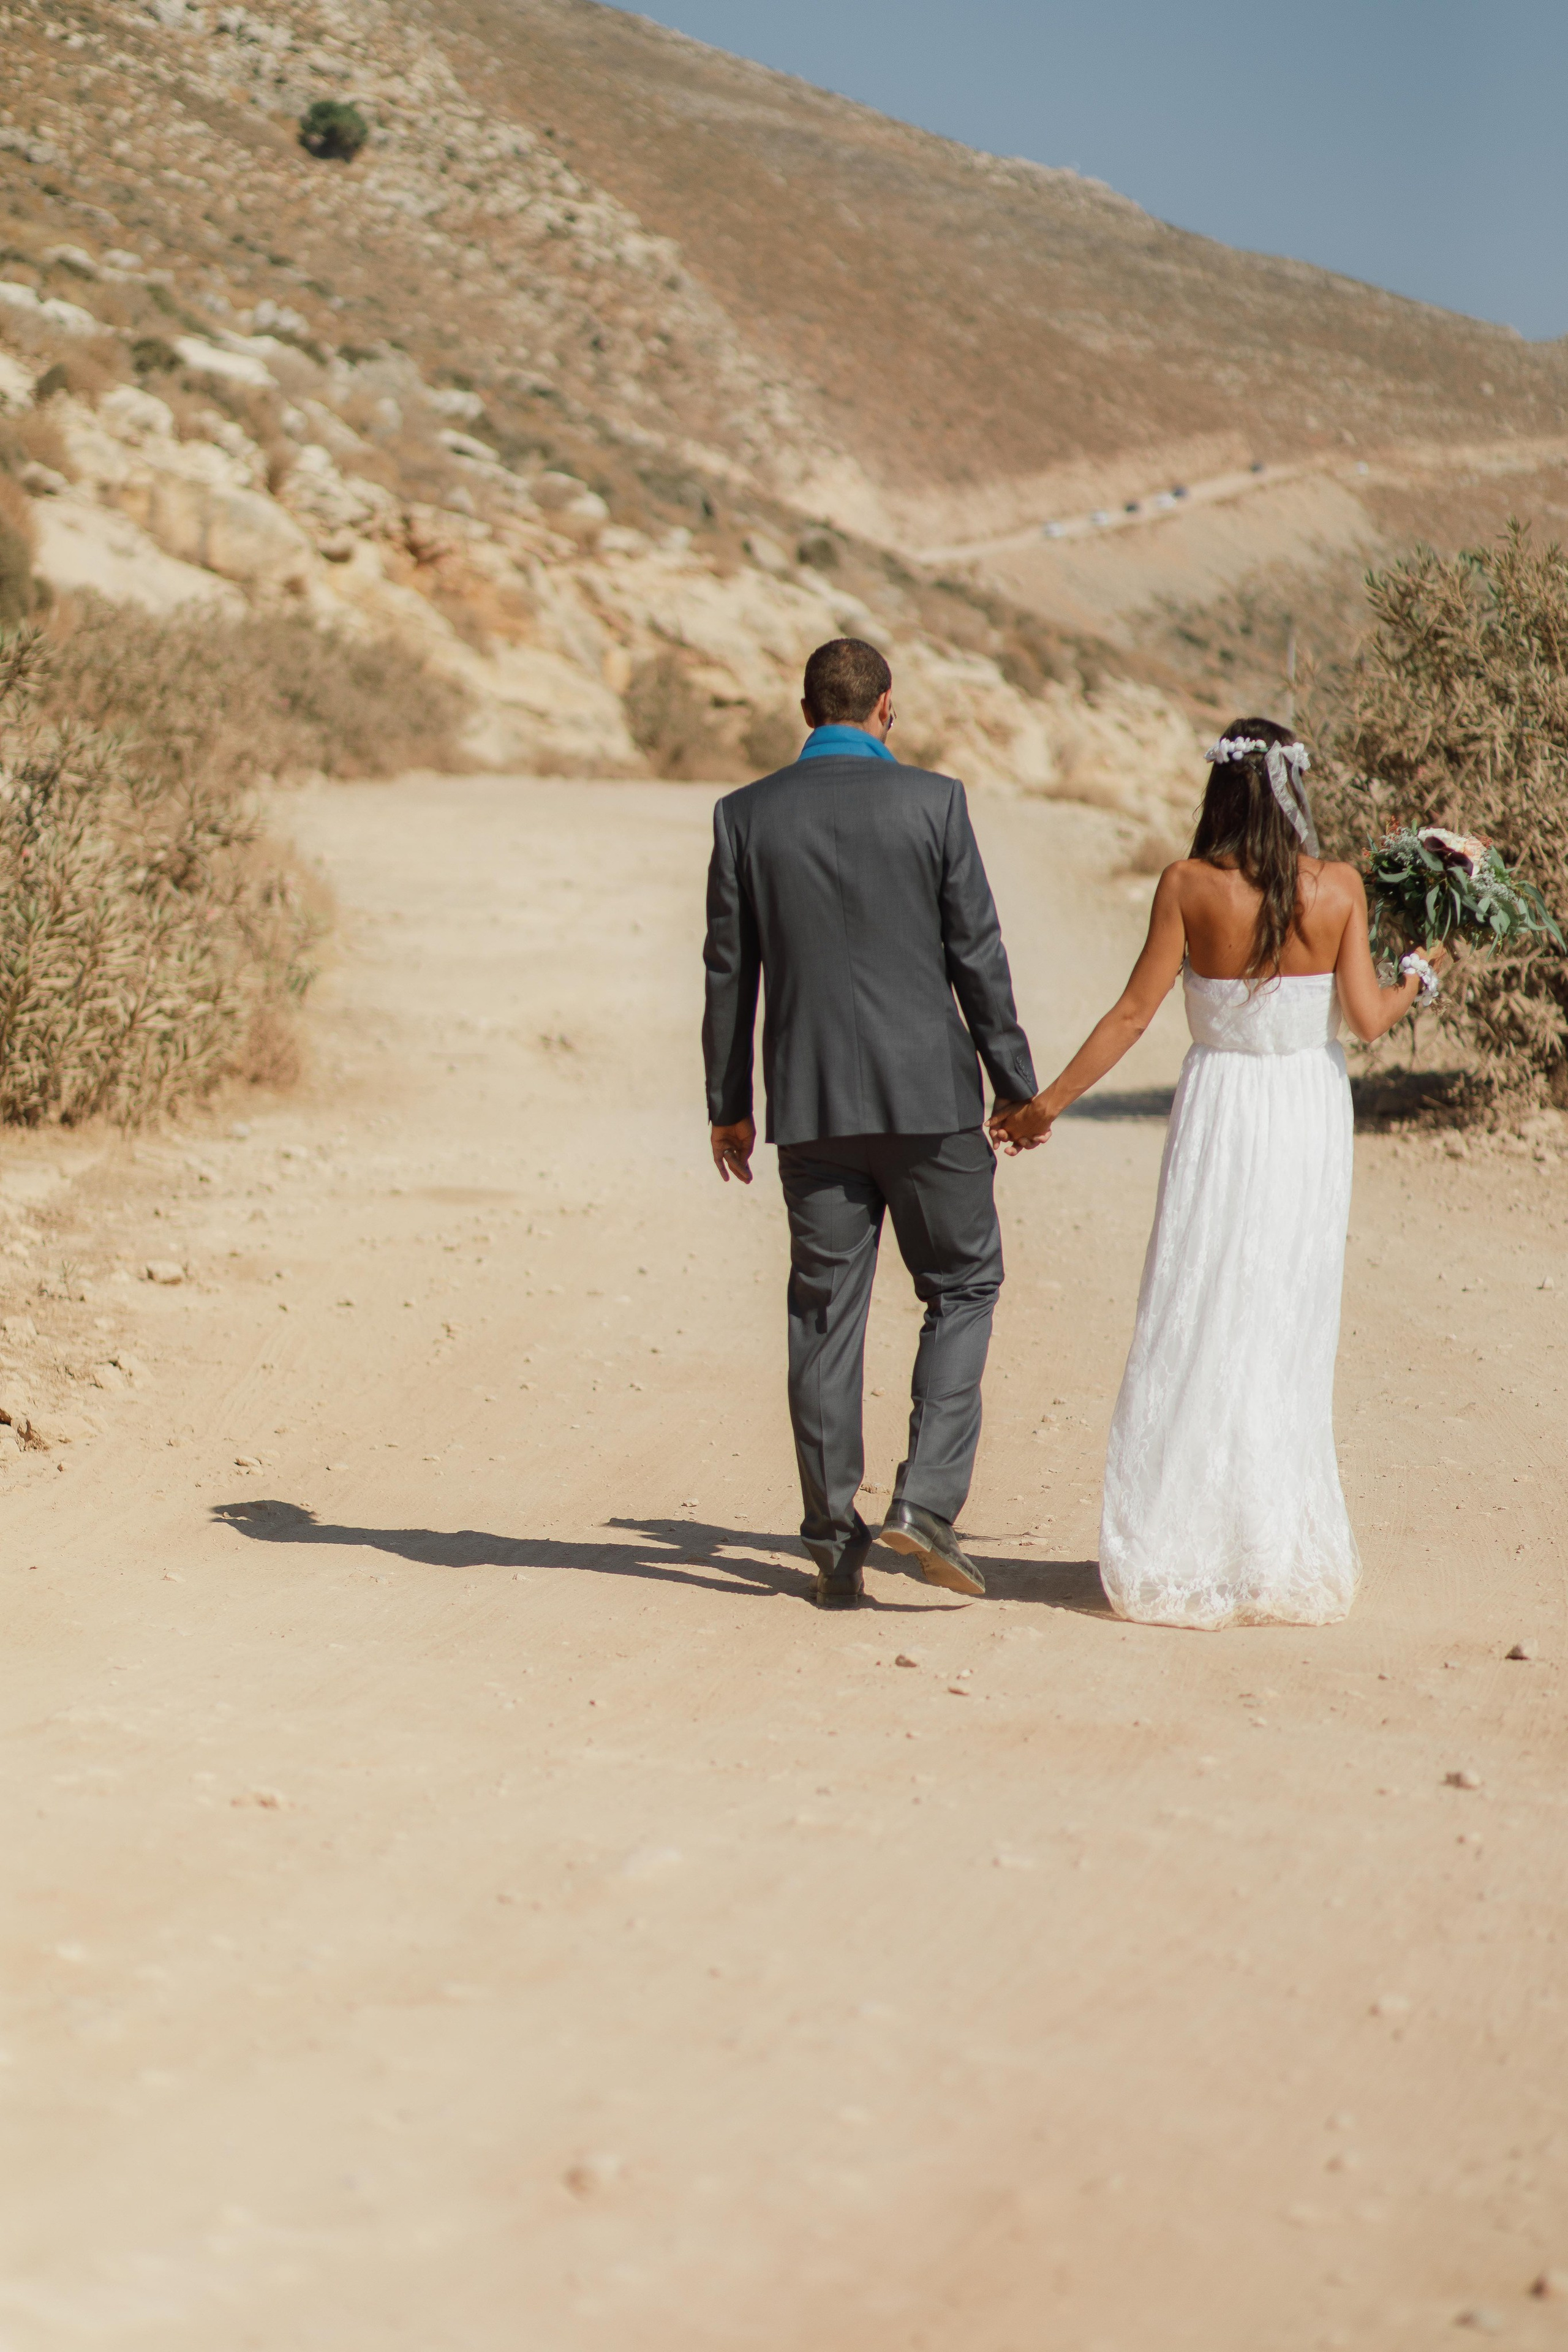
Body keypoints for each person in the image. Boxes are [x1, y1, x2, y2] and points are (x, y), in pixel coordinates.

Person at [991, 717, 1447, 1629]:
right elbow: (1367, 1020)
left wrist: (1047, 1105)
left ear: (1220, 791)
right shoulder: (1339, 887)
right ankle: (1269, 1550)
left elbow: (1132, 1014)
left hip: (1220, 1111)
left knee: (1199, 1305)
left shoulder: (1186, 885)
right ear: (1294, 790)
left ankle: (1182, 1540)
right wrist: (1421, 975)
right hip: (1306, 1116)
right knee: (1285, 1316)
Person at [704, 637, 1038, 1608]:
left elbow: (729, 973)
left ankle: (829, 1534)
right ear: (886, 706)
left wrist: (730, 1107)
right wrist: (1014, 1084)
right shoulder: (935, 803)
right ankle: (924, 1504)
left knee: (824, 1314)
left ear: (807, 711)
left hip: (811, 1109)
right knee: (964, 1283)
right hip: (931, 1103)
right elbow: (977, 952)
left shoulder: (744, 815)